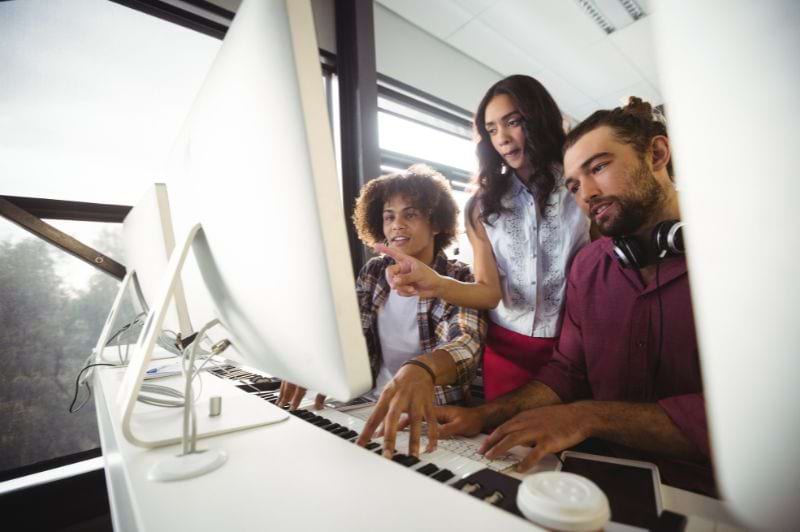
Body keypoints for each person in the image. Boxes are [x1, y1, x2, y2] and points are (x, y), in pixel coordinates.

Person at [426, 98, 714, 495]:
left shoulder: (738, 263)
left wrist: (587, 417)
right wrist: (483, 415)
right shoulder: (589, 267)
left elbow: (750, 414)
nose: (587, 194)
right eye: (574, 185)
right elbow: (567, 372)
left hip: (713, 491)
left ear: (658, 154)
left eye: (599, 167)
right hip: (595, 476)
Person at [377, 75, 589, 405]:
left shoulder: (581, 186)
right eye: (491, 130)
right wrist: (436, 282)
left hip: (573, 352)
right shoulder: (482, 206)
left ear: (539, 118)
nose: (502, 138)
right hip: (506, 354)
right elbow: (489, 293)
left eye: (513, 122)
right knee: (505, 449)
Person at [278, 164, 487, 458]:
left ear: (436, 223)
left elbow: (466, 345)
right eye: (389, 216)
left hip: (430, 418)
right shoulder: (374, 272)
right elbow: (350, 333)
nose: (396, 225)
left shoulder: (459, 277)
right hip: (363, 405)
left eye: (410, 214)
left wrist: (423, 369)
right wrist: (313, 360)